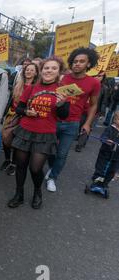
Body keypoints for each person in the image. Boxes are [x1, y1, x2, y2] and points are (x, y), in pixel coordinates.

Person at [8, 57, 70, 210]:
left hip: (45, 134)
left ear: (59, 72)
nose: (49, 71)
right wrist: (27, 111)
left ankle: (37, 192)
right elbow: (19, 109)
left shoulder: (62, 91)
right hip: (25, 131)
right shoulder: (31, 88)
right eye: (46, 68)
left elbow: (63, 116)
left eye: (53, 68)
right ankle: (19, 194)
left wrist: (62, 103)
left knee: (35, 168)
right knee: (21, 165)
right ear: (41, 71)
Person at [46, 47, 101, 192]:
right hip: (54, 120)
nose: (77, 64)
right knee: (49, 149)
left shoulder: (94, 83)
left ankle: (53, 177)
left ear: (89, 64)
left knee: (62, 153)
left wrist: (88, 124)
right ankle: (52, 167)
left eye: (82, 61)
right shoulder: (62, 78)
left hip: (73, 123)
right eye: (75, 61)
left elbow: (94, 105)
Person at [1, 62, 40, 176]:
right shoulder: (18, 83)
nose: (29, 71)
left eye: (32, 70)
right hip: (11, 115)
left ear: (36, 73)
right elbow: (10, 100)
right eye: (27, 69)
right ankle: (7, 159)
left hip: (25, 118)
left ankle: (13, 164)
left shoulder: (37, 88)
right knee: (5, 138)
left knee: (17, 143)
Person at [89, 111, 119, 191]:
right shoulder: (110, 128)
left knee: (112, 170)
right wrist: (106, 140)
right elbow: (103, 137)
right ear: (115, 120)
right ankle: (96, 181)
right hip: (105, 153)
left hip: (116, 156)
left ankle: (105, 184)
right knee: (100, 168)